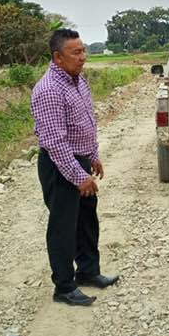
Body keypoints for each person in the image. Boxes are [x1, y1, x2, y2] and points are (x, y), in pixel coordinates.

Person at [31, 29, 119, 306]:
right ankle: (64, 287)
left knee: (86, 220)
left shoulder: (78, 81)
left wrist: (93, 155)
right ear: (58, 57)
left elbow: (86, 122)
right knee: (63, 226)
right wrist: (79, 176)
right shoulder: (49, 90)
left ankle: (88, 272)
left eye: (83, 51)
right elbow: (54, 142)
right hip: (60, 166)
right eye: (76, 52)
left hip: (80, 160)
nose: (83, 57)